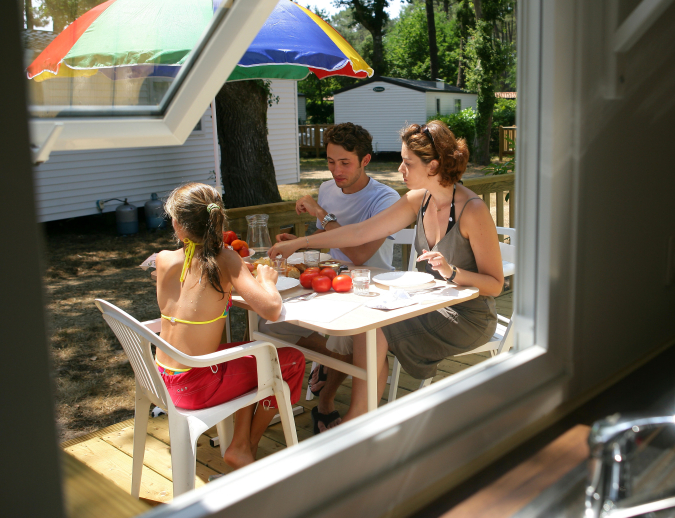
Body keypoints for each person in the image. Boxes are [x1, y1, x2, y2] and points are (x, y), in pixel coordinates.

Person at [268, 120, 503, 423]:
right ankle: (359, 418)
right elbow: (359, 234)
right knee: (371, 319)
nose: (400, 170)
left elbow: (495, 285)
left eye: (407, 163)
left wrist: (451, 271)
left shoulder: (473, 210)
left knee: (376, 326)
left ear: (432, 166)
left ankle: (356, 420)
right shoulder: (419, 199)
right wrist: (301, 243)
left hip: (468, 316)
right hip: (427, 305)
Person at [155, 183, 305, 470]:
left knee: (251, 353)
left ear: (177, 224)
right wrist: (267, 282)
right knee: (290, 361)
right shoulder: (226, 258)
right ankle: (246, 446)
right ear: (217, 220)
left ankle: (239, 444)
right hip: (197, 387)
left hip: (162, 379)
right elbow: (272, 309)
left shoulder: (164, 260)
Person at [265, 122, 400, 433]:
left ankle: (328, 397)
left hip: (370, 286)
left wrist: (320, 214)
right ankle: (322, 370)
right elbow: (324, 238)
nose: (336, 171)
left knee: (355, 341)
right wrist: (300, 242)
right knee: (271, 320)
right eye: (330, 161)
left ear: (365, 160)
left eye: (345, 163)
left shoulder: (385, 198)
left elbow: (359, 255)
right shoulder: (328, 189)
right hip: (327, 280)